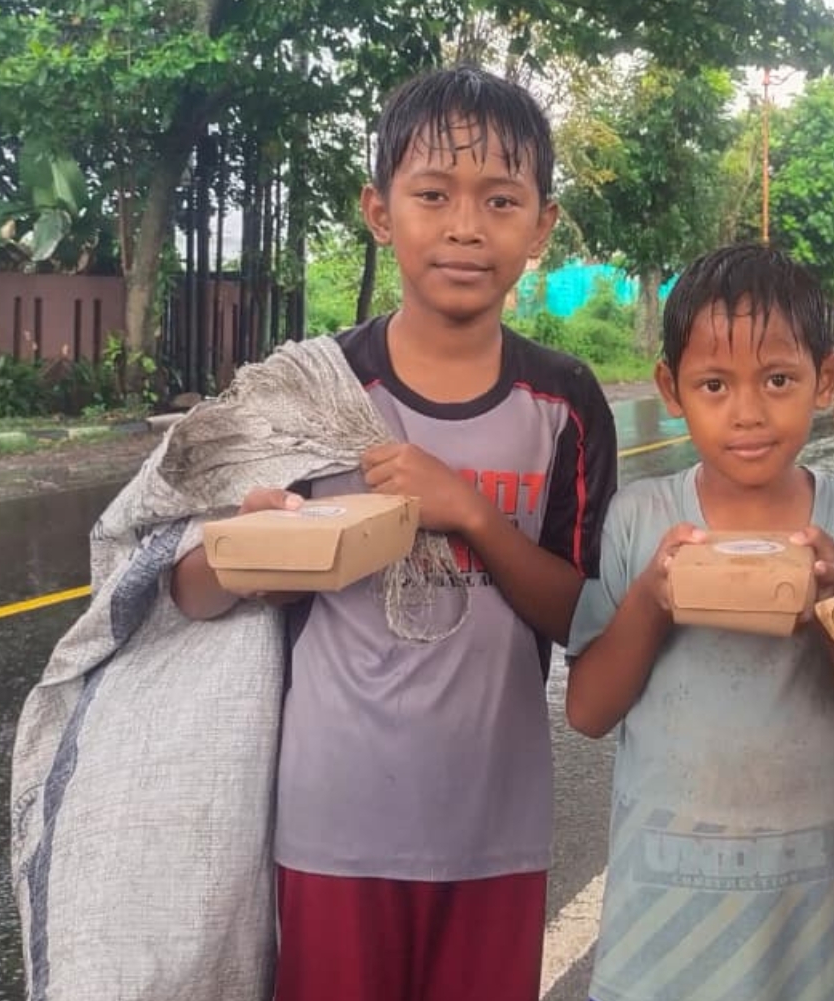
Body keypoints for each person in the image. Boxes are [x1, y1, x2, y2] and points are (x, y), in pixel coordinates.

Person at [171, 65, 618, 1001]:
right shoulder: (312, 390)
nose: (465, 226)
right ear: (379, 211)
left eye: (500, 200)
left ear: (540, 227)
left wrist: (472, 514)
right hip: (332, 826)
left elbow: (583, 614)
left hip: (493, 829)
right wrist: (249, 554)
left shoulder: (564, 403)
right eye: (431, 195)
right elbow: (177, 586)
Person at [565, 243, 834, 1001]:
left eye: (778, 379)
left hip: (814, 905)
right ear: (671, 387)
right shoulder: (641, 519)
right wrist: (652, 598)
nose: (747, 412)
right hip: (668, 908)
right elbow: (587, 709)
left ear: (825, 379)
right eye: (714, 384)